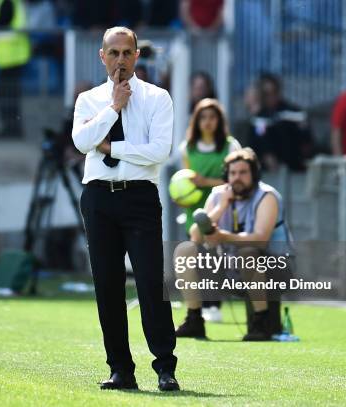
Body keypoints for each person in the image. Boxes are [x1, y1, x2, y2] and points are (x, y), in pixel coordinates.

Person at [72, 26, 179, 391]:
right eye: (113, 53)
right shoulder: (88, 99)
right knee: (108, 285)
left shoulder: (157, 97)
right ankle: (121, 368)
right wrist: (112, 108)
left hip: (139, 197)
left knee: (150, 281)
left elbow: (158, 152)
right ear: (102, 56)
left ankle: (165, 366)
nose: (120, 60)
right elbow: (82, 140)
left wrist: (111, 148)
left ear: (137, 55)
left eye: (127, 53)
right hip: (99, 197)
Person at [174, 148, 292, 341]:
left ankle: (260, 323)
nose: (237, 177)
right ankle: (194, 320)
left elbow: (261, 239)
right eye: (233, 173)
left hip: (274, 269)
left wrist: (222, 237)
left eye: (243, 172)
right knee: (185, 250)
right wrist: (221, 207)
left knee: (248, 253)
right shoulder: (218, 195)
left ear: (254, 174)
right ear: (226, 176)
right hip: (230, 267)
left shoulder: (268, 196)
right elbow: (196, 235)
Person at [179, 98, 241, 324]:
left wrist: (205, 182)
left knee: (216, 261)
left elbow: (235, 181)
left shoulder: (230, 146)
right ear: (196, 121)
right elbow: (185, 182)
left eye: (212, 117)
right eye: (203, 117)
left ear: (219, 120)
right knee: (196, 261)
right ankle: (199, 308)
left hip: (220, 210)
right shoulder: (187, 148)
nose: (207, 122)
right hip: (194, 212)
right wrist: (181, 198)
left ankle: (214, 305)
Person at [247, 72, 313, 172]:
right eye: (266, 94)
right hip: (266, 173)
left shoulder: (294, 113)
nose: (270, 97)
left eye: (273, 92)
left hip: (295, 168)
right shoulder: (259, 118)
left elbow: (306, 140)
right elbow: (259, 140)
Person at [0, 0, 31, 139]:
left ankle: (12, 129)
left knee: (6, 94)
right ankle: (11, 128)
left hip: (13, 57)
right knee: (5, 94)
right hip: (9, 58)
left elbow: (2, 21)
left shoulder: (7, 2)